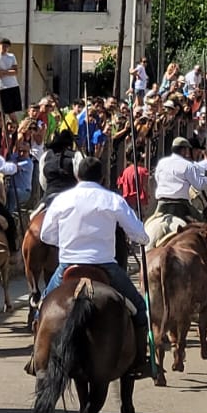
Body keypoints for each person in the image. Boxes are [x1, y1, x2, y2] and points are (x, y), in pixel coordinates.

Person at [40, 159, 152, 379]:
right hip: (104, 266)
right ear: (102, 178)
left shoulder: (62, 200)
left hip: (68, 266)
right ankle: (141, 361)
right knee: (140, 308)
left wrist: (66, 240)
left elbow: (46, 235)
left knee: (42, 307)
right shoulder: (113, 200)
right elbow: (141, 236)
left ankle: (38, 358)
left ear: (77, 176)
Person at [153, 137, 207, 222]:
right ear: (183, 150)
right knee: (203, 224)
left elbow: (157, 178)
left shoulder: (162, 162)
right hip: (181, 205)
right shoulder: (188, 165)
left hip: (162, 204)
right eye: (187, 149)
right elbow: (199, 185)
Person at [0, 38, 22, 121]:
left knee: (15, 109)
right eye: (3, 46)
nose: (5, 48)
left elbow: (15, 71)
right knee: (8, 110)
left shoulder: (11, 56)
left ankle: (15, 124)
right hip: (3, 86)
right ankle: (15, 124)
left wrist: (4, 72)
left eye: (7, 46)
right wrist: (8, 71)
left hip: (14, 85)